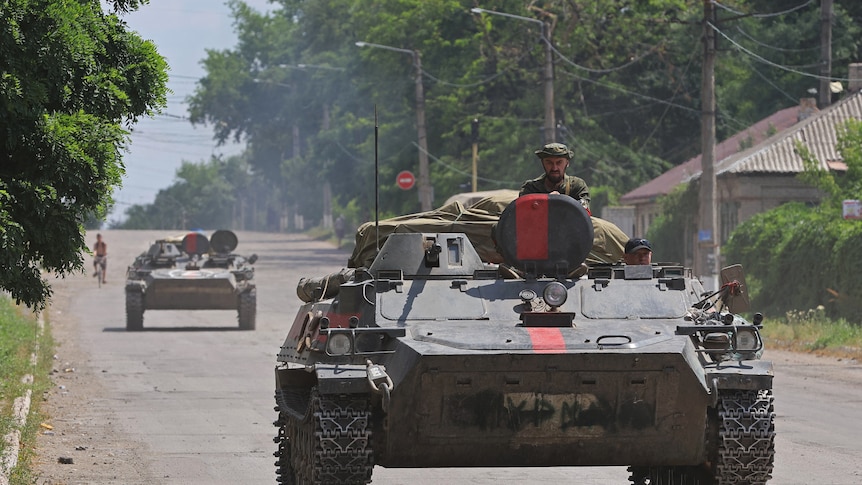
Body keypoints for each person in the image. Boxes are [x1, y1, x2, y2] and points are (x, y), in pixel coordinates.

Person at [519, 142, 590, 212]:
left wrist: (561, 202)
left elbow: (584, 213)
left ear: (567, 163)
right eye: (549, 162)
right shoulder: (531, 188)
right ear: (543, 163)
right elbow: (523, 214)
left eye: (559, 162)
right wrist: (546, 201)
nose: (554, 168)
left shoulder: (576, 186)